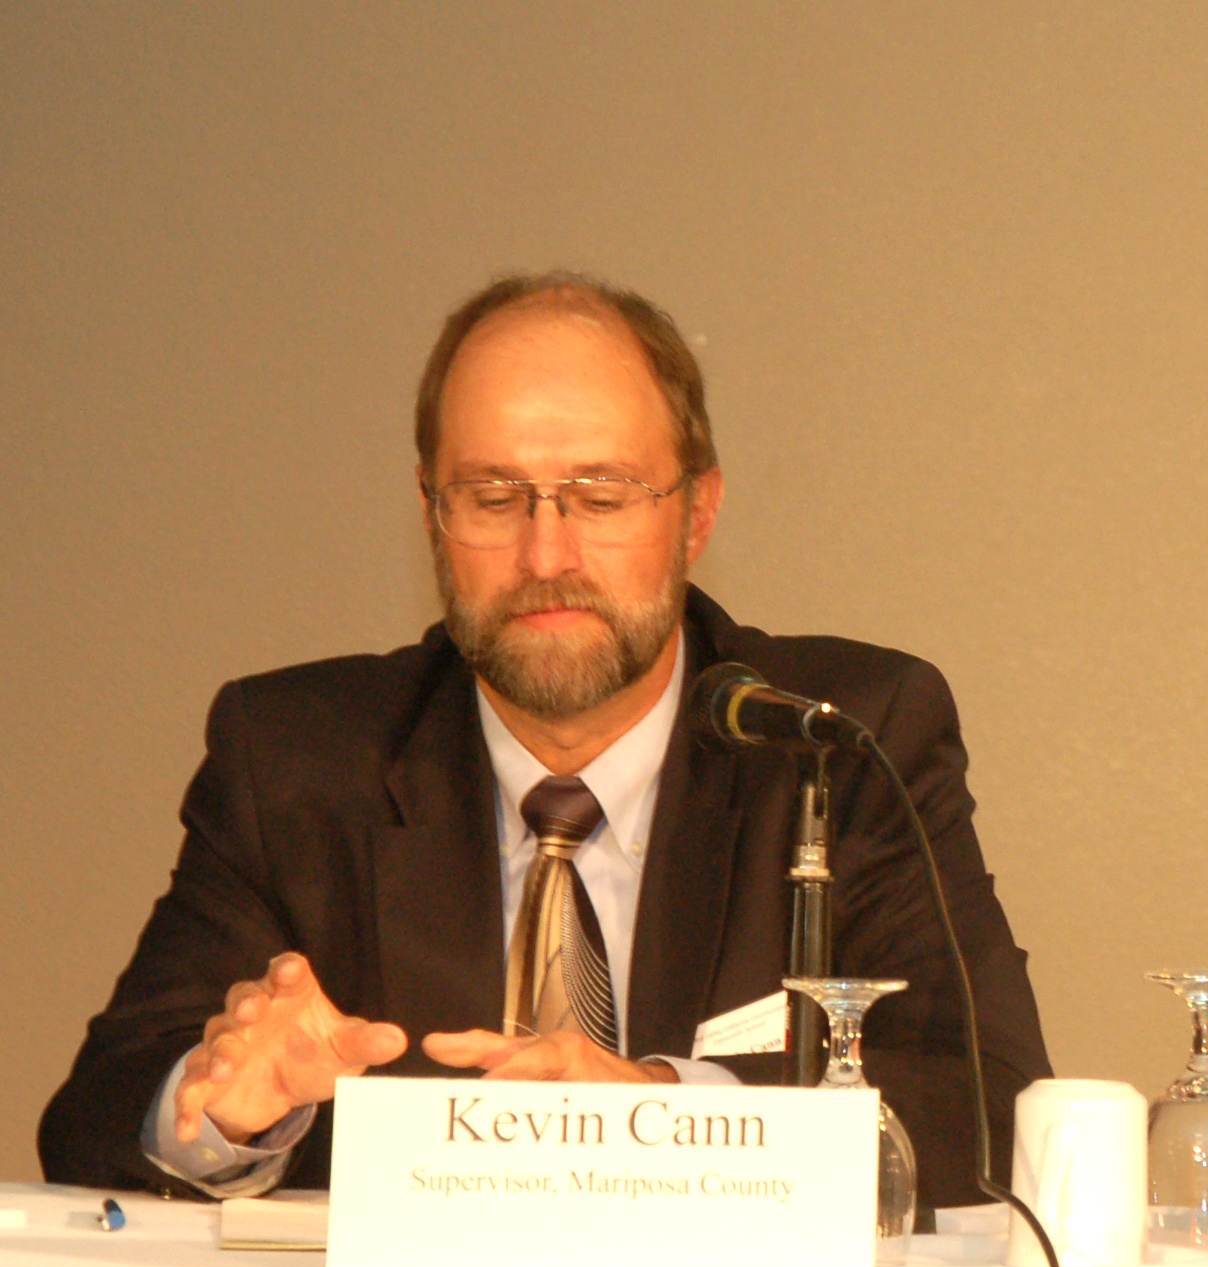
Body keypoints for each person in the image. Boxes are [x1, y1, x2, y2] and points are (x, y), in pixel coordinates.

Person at [39, 274, 1049, 1211]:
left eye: (600, 496)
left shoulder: (834, 742)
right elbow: (93, 1122)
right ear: (433, 517)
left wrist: (661, 1110)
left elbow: (993, 1105)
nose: (545, 554)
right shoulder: (299, 760)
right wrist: (224, 1110)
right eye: (493, 498)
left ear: (696, 514)